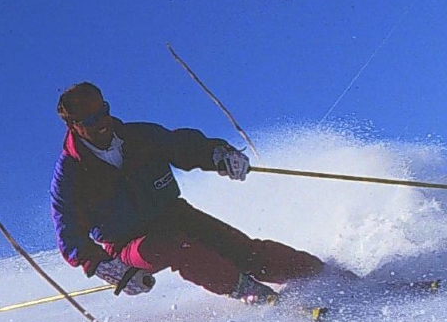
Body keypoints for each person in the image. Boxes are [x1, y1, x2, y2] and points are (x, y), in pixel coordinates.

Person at [49, 82, 323, 304]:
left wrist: (219, 154)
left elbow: (184, 146)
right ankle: (254, 294)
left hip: (175, 215)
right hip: (130, 246)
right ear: (73, 125)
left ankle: (322, 274)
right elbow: (69, 233)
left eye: (104, 111)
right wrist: (104, 267)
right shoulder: (70, 175)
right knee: (176, 247)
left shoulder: (140, 137)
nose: (103, 121)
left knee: (242, 249)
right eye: (92, 118)